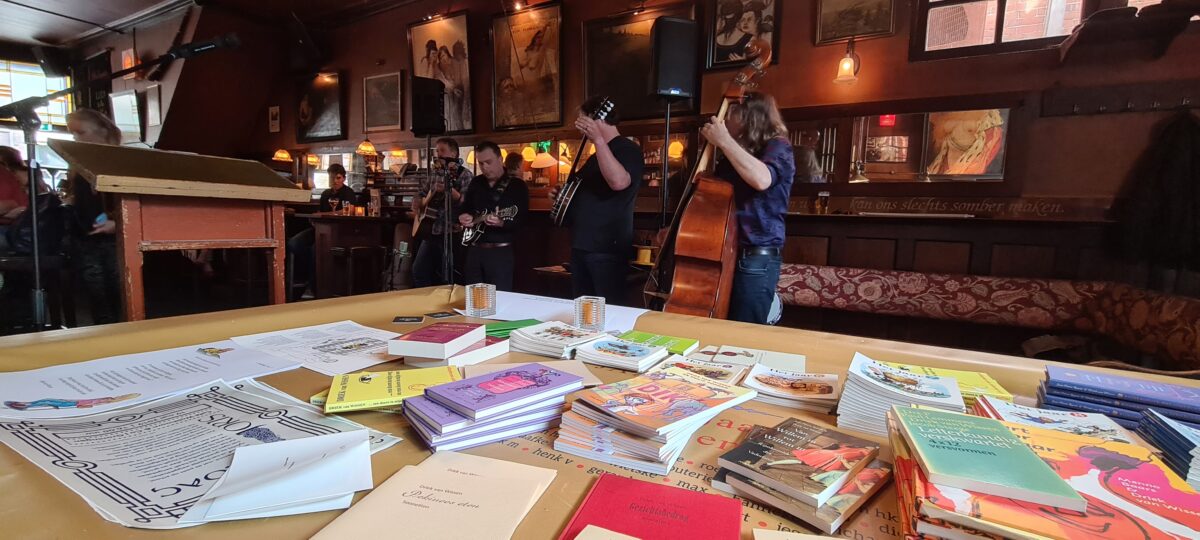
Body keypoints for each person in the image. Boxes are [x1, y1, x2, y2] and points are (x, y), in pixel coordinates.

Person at [700, 92, 795, 325]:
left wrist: (725, 141)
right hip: (722, 253)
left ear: (747, 116)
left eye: (730, 114)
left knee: (743, 333)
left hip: (755, 259)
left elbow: (762, 179)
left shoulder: (778, 147)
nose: (724, 120)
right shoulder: (732, 158)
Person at [550, 97, 643, 304]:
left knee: (609, 309)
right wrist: (564, 197)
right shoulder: (596, 156)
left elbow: (619, 182)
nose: (580, 127)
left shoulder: (627, 149)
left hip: (606, 249)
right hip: (583, 246)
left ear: (596, 119)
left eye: (582, 120)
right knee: (584, 311)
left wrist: (599, 140)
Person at [65, 108, 123, 324]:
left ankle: (123, 332)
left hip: (113, 236)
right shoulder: (79, 162)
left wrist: (116, 223)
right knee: (95, 290)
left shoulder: (119, 161)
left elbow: (129, 200)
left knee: (118, 288)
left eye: (81, 132)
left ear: (102, 131)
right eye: (73, 134)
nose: (76, 138)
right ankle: (105, 332)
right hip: (85, 235)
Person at [457, 142, 528, 291]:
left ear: (500, 159)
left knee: (500, 298)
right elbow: (466, 207)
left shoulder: (517, 186)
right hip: (474, 250)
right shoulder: (476, 182)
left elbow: (522, 221)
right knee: (473, 298)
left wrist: (502, 223)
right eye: (481, 163)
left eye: (488, 162)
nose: (484, 167)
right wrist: (463, 215)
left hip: (500, 252)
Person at [287, 164, 355, 299]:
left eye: (338, 178)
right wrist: (314, 219)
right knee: (293, 243)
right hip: (319, 228)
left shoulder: (348, 192)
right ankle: (304, 276)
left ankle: (312, 286)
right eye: (332, 177)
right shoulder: (325, 194)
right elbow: (320, 212)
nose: (335, 181)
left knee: (316, 249)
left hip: (338, 231)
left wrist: (323, 214)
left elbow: (349, 210)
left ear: (343, 178)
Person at [412, 137, 473, 287]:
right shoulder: (435, 173)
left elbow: (469, 205)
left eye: (442, 150)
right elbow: (421, 193)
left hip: (452, 233)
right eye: (437, 150)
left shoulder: (465, 175)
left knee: (450, 276)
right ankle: (427, 300)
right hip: (431, 230)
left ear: (453, 153)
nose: (438, 154)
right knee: (419, 271)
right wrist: (417, 202)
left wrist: (456, 196)